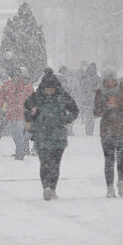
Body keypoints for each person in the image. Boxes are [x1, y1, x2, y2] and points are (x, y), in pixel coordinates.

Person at [25, 71, 79, 199]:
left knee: (55, 163)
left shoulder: (63, 96)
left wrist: (66, 119)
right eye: (47, 88)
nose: (49, 91)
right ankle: (46, 188)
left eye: (52, 88)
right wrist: (32, 116)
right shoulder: (36, 97)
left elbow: (75, 110)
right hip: (42, 135)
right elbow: (26, 109)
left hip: (58, 135)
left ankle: (52, 188)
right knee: (44, 162)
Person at [93, 69, 123, 197]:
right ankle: (110, 187)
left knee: (122, 158)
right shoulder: (100, 92)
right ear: (104, 81)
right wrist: (105, 107)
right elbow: (95, 112)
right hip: (107, 131)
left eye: (112, 80)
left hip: (122, 129)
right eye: (107, 80)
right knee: (109, 160)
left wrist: (119, 104)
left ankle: (121, 181)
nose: (110, 83)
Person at [0, 68, 35, 159]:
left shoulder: (26, 85)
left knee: (19, 133)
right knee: (14, 134)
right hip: (11, 113)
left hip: (22, 113)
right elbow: (1, 97)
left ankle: (19, 152)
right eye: (15, 74)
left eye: (18, 74)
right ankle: (20, 149)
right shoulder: (7, 85)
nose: (16, 76)